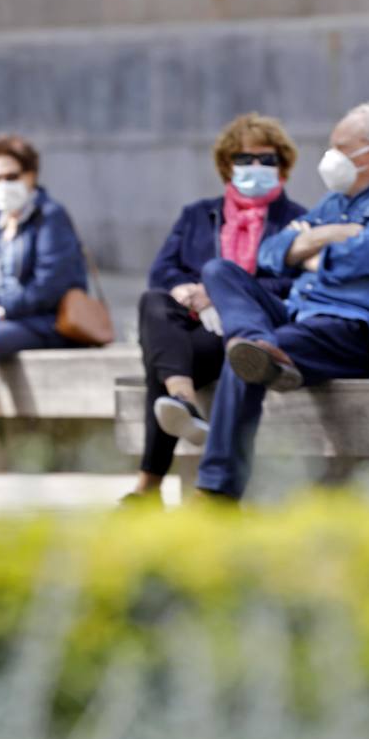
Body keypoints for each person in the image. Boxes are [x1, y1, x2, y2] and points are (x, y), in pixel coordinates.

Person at [196, 101, 369, 501]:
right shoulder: (335, 205)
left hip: (355, 330)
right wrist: (334, 233)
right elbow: (270, 255)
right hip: (299, 318)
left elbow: (358, 258)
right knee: (220, 272)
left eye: (340, 148)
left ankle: (216, 492)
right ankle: (258, 344)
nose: (330, 158)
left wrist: (310, 243)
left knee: (243, 361)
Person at [124, 113, 307, 501]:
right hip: (195, 327)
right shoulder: (198, 215)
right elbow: (162, 271)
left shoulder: (297, 222)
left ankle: (150, 482)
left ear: (282, 166)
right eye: (244, 159)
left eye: (266, 159)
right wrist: (187, 291)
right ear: (227, 165)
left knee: (163, 357)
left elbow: (296, 284)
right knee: (153, 303)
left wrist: (222, 291)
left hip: (247, 333)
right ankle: (182, 398)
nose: (255, 167)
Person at [0, 134, 87, 474]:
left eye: (11, 176)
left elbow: (51, 286)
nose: (3, 185)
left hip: (47, 322)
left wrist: (2, 310)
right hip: (8, 322)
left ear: (31, 174)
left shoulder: (51, 217)